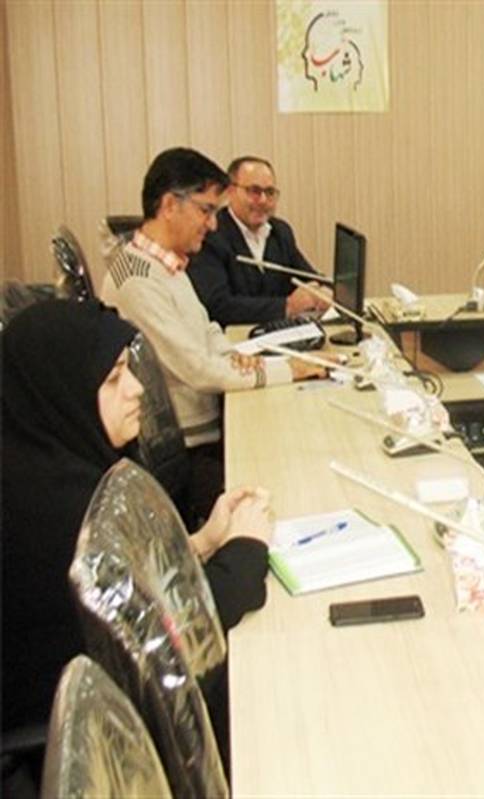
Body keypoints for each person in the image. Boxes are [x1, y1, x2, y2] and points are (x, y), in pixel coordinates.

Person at [1, 300, 273, 759]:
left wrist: (202, 542)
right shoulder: (62, 514)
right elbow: (170, 639)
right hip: (92, 740)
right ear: (62, 393)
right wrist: (245, 552)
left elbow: (131, 580)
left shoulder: (44, 464)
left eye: (128, 369)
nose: (137, 389)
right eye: (113, 379)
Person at [100, 148, 326, 516]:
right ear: (170, 205)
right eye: (205, 211)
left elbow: (206, 329)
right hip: (187, 451)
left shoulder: (165, 263)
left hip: (206, 424)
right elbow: (198, 369)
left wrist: (239, 357)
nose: (213, 224)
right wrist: (289, 370)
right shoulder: (138, 281)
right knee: (294, 474)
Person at [188, 156, 331, 326]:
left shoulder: (280, 231)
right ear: (231, 192)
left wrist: (324, 291)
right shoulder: (211, 234)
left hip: (280, 333)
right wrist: (287, 306)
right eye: (254, 191)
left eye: (269, 192)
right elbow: (218, 305)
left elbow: (307, 277)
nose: (263, 200)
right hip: (233, 337)